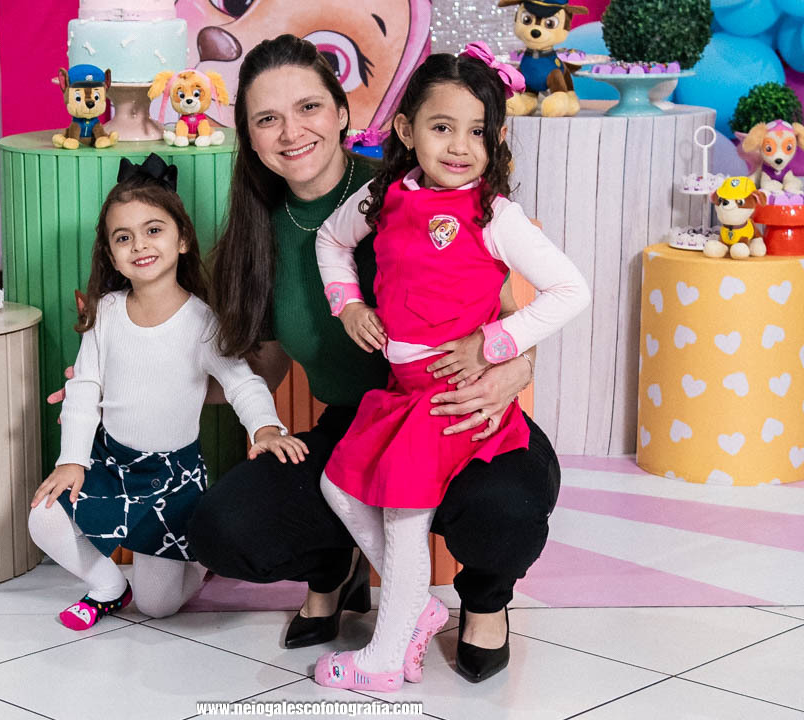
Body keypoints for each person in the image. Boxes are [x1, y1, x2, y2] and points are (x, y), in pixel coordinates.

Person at [186, 34, 568, 683]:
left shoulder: (416, 185)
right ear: (247, 135)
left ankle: (483, 602)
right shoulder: (256, 233)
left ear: (343, 112)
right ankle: (337, 567)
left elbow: (509, 309)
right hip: (361, 420)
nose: (291, 132)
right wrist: (137, 382)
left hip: (456, 404)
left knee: (504, 510)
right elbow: (267, 366)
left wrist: (513, 366)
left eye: (308, 107)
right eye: (267, 118)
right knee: (226, 527)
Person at [311, 44, 590, 691]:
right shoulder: (384, 197)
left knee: (403, 516)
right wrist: (348, 304)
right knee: (339, 487)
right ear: (407, 130)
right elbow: (330, 239)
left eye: (477, 131)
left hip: (452, 396)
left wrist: (494, 343)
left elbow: (571, 290)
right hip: (402, 391)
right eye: (443, 127)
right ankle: (418, 608)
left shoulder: (495, 215)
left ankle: (384, 659)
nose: (460, 146)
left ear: (496, 140)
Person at [29, 154, 307, 630]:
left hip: (170, 478)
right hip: (111, 463)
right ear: (110, 255)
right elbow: (85, 389)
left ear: (182, 240)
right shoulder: (106, 312)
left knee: (158, 605)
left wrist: (266, 428)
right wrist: (71, 460)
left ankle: (197, 557)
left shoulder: (201, 321)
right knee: (44, 515)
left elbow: (242, 382)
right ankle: (109, 588)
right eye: (123, 237)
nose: (139, 244)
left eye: (153, 230)